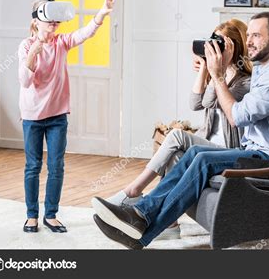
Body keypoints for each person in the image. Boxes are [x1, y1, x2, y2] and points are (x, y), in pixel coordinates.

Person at [91, 11, 269, 249]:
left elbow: (237, 117)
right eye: (248, 37)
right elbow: (202, 102)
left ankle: (141, 224)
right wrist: (210, 68)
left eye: (256, 36)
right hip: (259, 152)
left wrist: (217, 74)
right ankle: (140, 220)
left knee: (203, 159)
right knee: (195, 154)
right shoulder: (264, 67)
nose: (249, 43)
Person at [97, 19, 252, 239]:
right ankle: (169, 225)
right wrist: (204, 70)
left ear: (233, 48)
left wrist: (213, 70)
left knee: (177, 136)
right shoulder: (218, 76)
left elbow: (208, 101)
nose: (213, 48)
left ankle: (132, 192)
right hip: (208, 142)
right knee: (174, 150)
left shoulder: (245, 83)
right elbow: (194, 103)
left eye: (219, 44)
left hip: (227, 149)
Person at [19, 0, 115, 233]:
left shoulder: (62, 42)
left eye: (56, 17)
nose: (53, 22)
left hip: (57, 116)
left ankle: (50, 215)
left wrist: (102, 13)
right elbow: (25, 82)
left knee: (56, 165)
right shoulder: (27, 45)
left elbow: (85, 33)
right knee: (33, 166)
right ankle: (32, 215)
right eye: (48, 17)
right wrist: (34, 52)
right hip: (32, 115)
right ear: (36, 21)